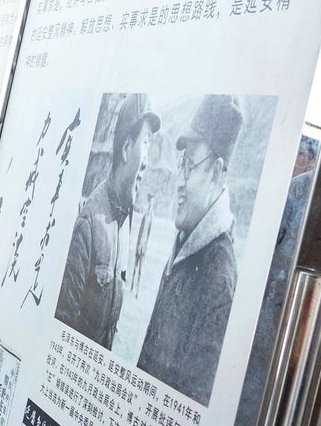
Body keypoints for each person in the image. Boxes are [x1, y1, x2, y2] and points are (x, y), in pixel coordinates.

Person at [137, 94, 243, 405]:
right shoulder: (187, 242)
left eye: (190, 165)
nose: (179, 182)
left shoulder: (218, 277)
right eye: (181, 165)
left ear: (216, 172)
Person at [56, 94, 160, 350]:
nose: (147, 162)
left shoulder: (123, 219)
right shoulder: (89, 225)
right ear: (126, 149)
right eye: (145, 143)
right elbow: (61, 331)